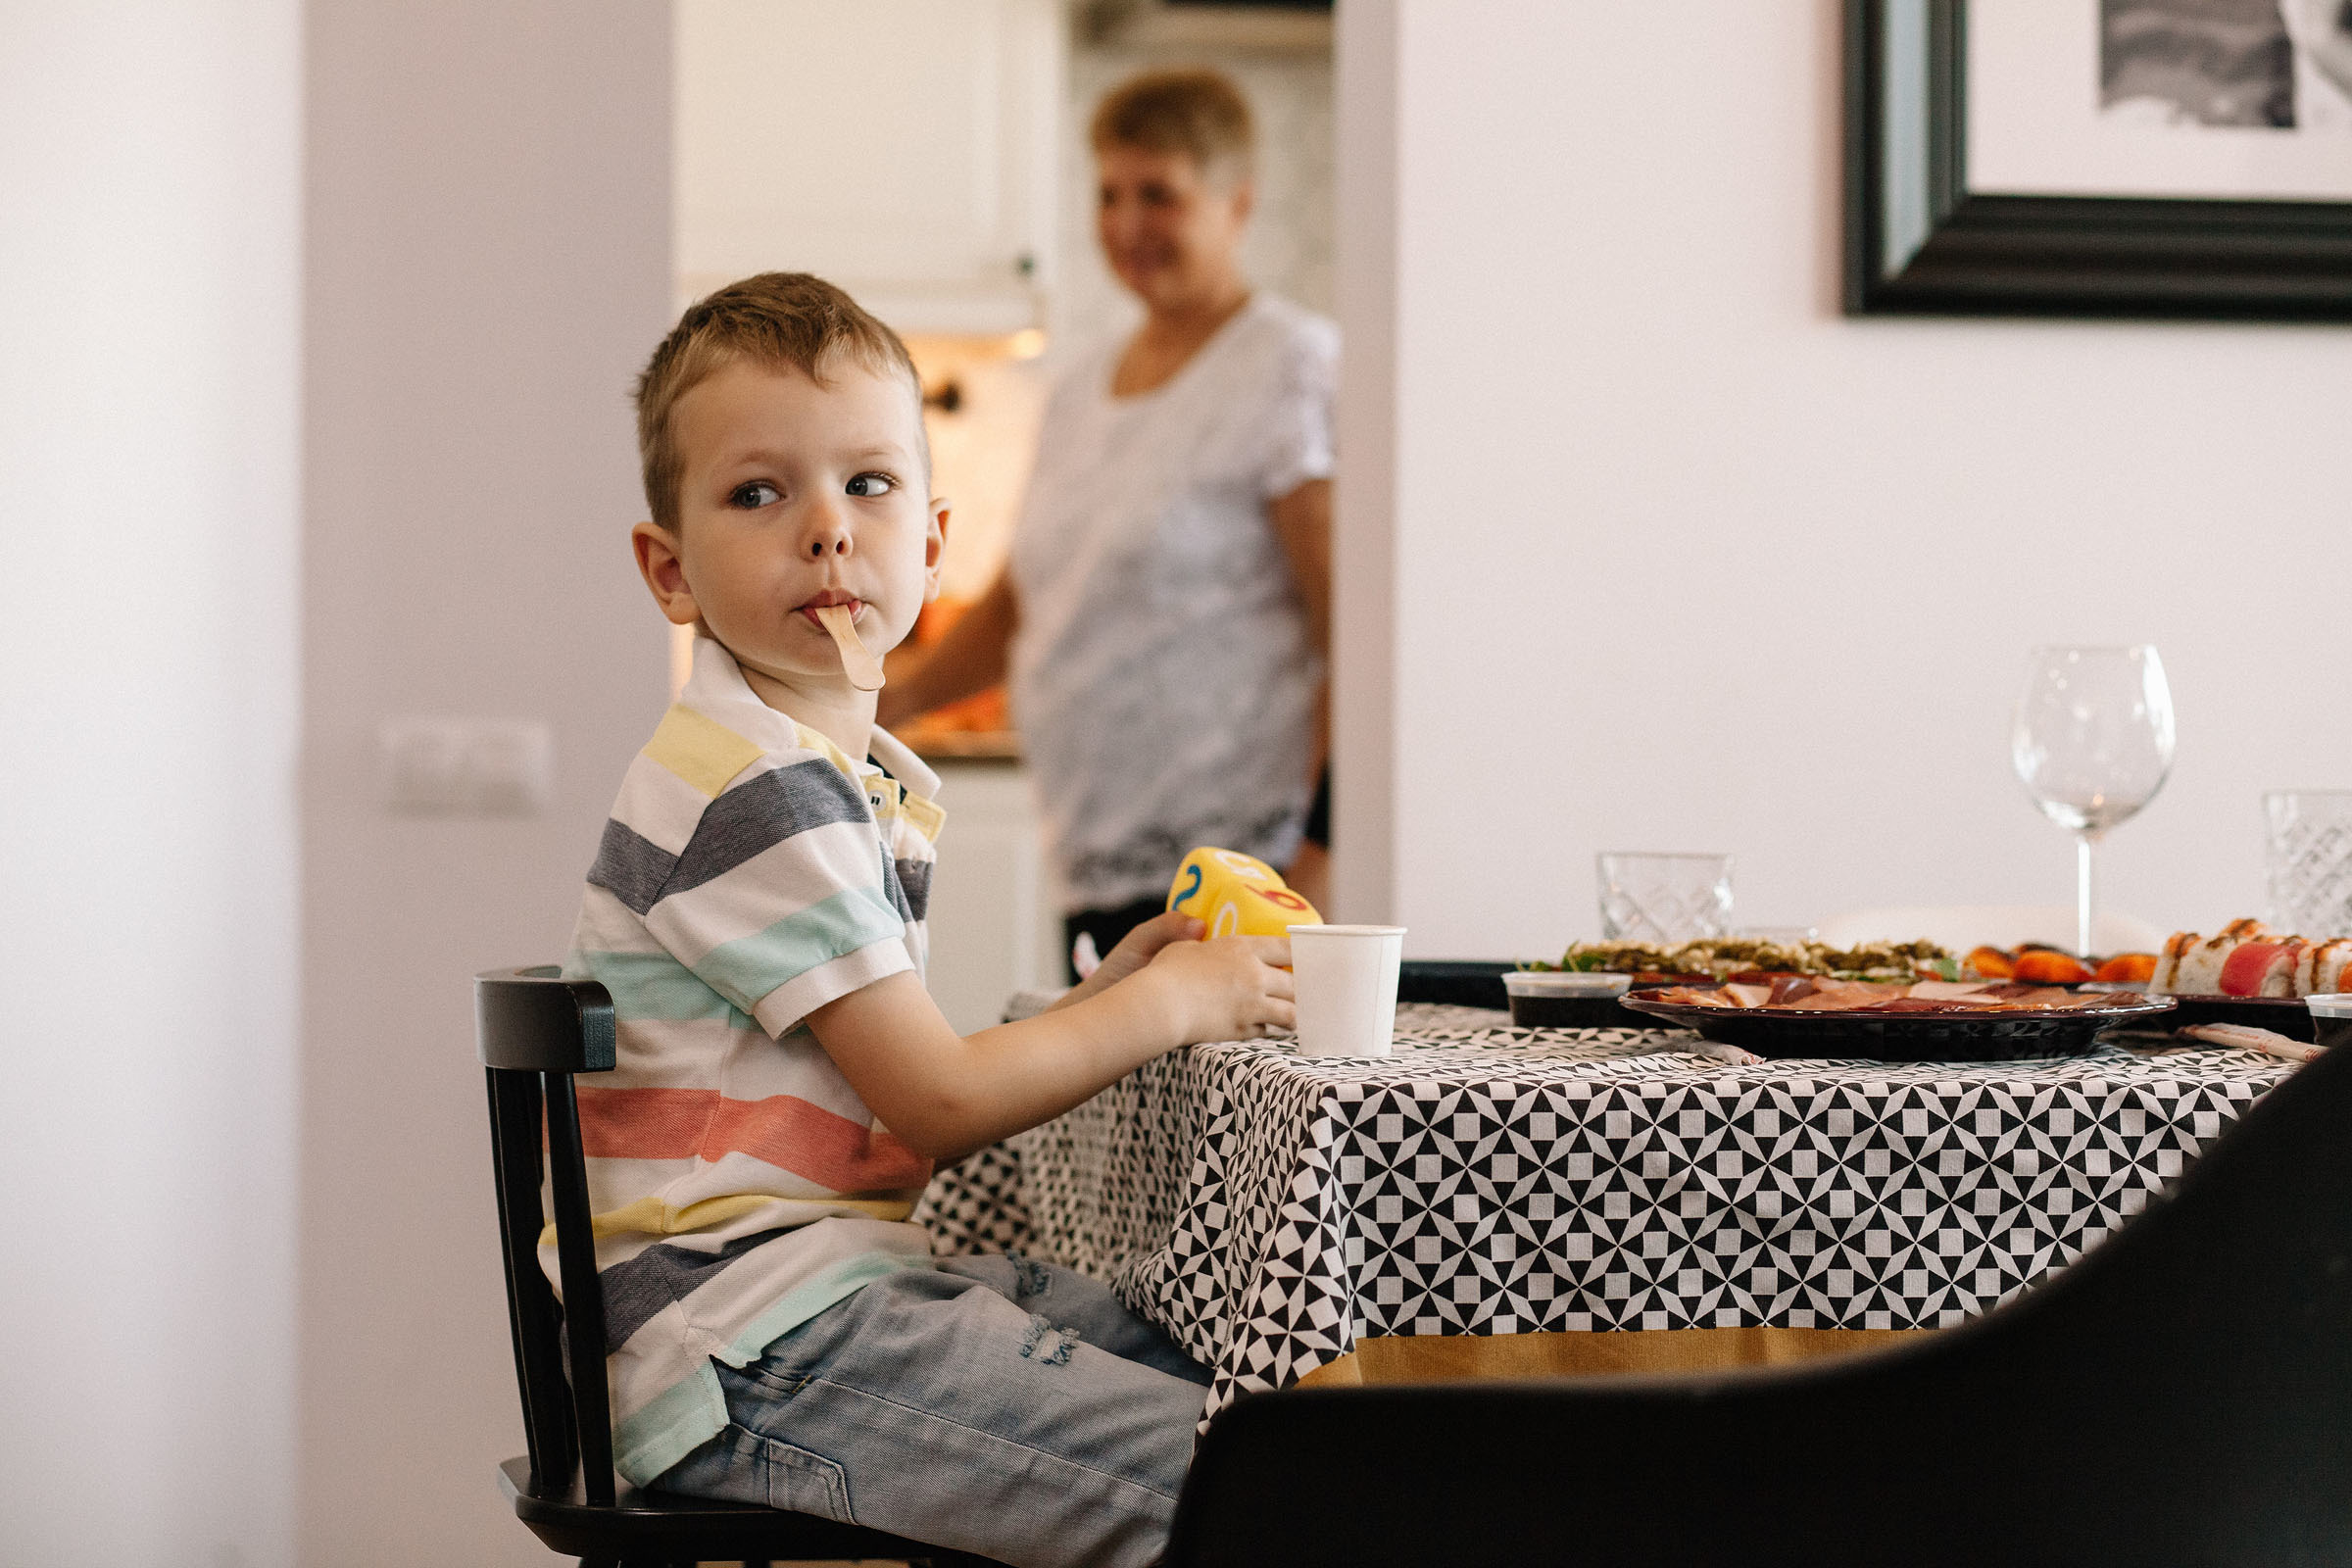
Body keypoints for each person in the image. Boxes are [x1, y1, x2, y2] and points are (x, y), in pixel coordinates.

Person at [561, 272, 1295, 1568]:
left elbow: (887, 1083)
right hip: (742, 1341)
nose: (828, 533)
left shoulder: (816, 776)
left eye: (869, 485)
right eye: (758, 493)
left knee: (1244, 1383)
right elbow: (939, 1106)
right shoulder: (754, 790)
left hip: (807, 1293)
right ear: (668, 571)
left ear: (936, 545)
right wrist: (1170, 1002)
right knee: (1260, 1485)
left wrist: (1098, 994)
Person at [879, 70, 1337, 971]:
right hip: (1095, 857)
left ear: (1236, 202)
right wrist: (881, 707)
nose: (1128, 225)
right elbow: (1021, 603)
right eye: (1109, 194)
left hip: (1242, 876)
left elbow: (1351, 634)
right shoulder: (1080, 389)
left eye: (1159, 194)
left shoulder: (1288, 365)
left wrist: (1319, 859)